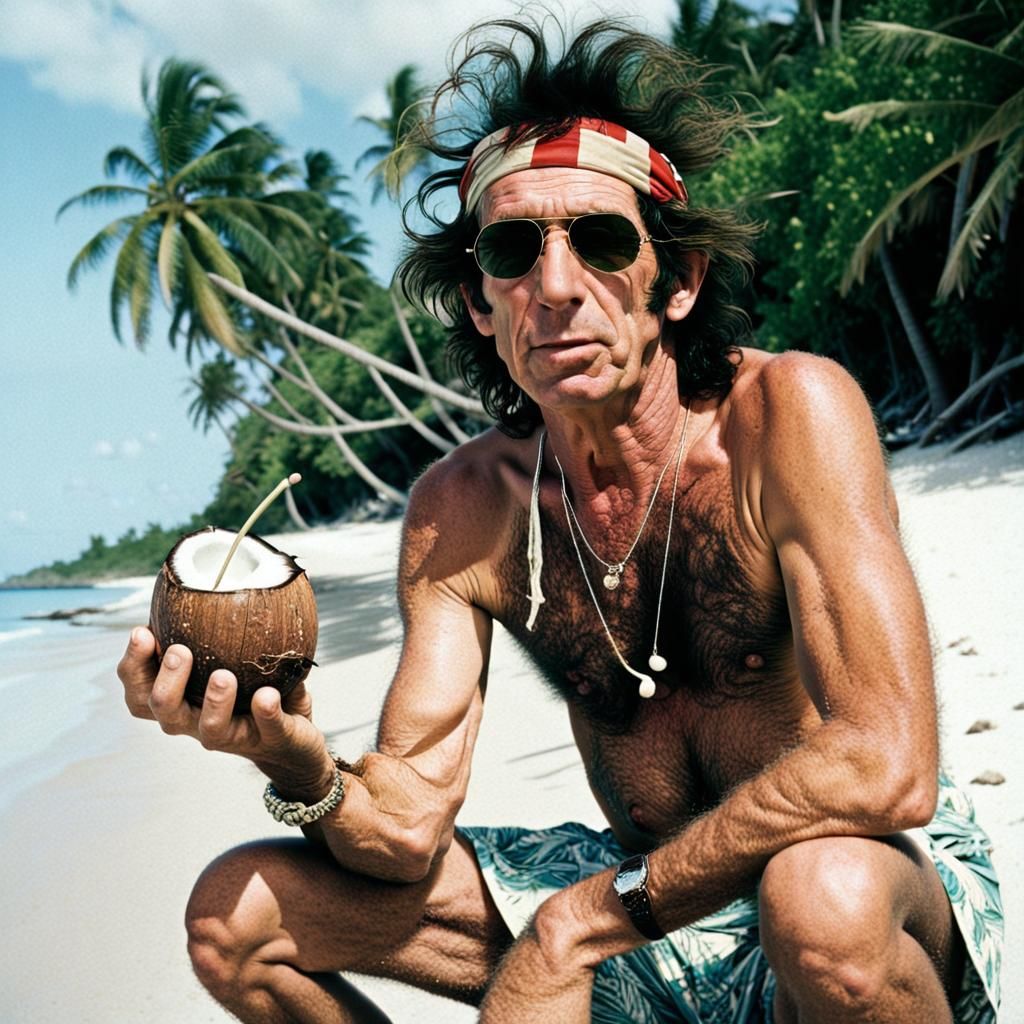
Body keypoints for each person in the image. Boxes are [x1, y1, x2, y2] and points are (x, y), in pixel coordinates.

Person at [118, 17, 1002, 1024]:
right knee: (237, 912)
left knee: (824, 903)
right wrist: (290, 756)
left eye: (601, 239)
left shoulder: (786, 418)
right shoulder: (468, 510)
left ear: (676, 281)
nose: (554, 285)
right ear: (481, 305)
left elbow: (886, 762)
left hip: (838, 896)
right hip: (650, 903)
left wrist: (578, 922)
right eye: (511, 249)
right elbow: (405, 824)